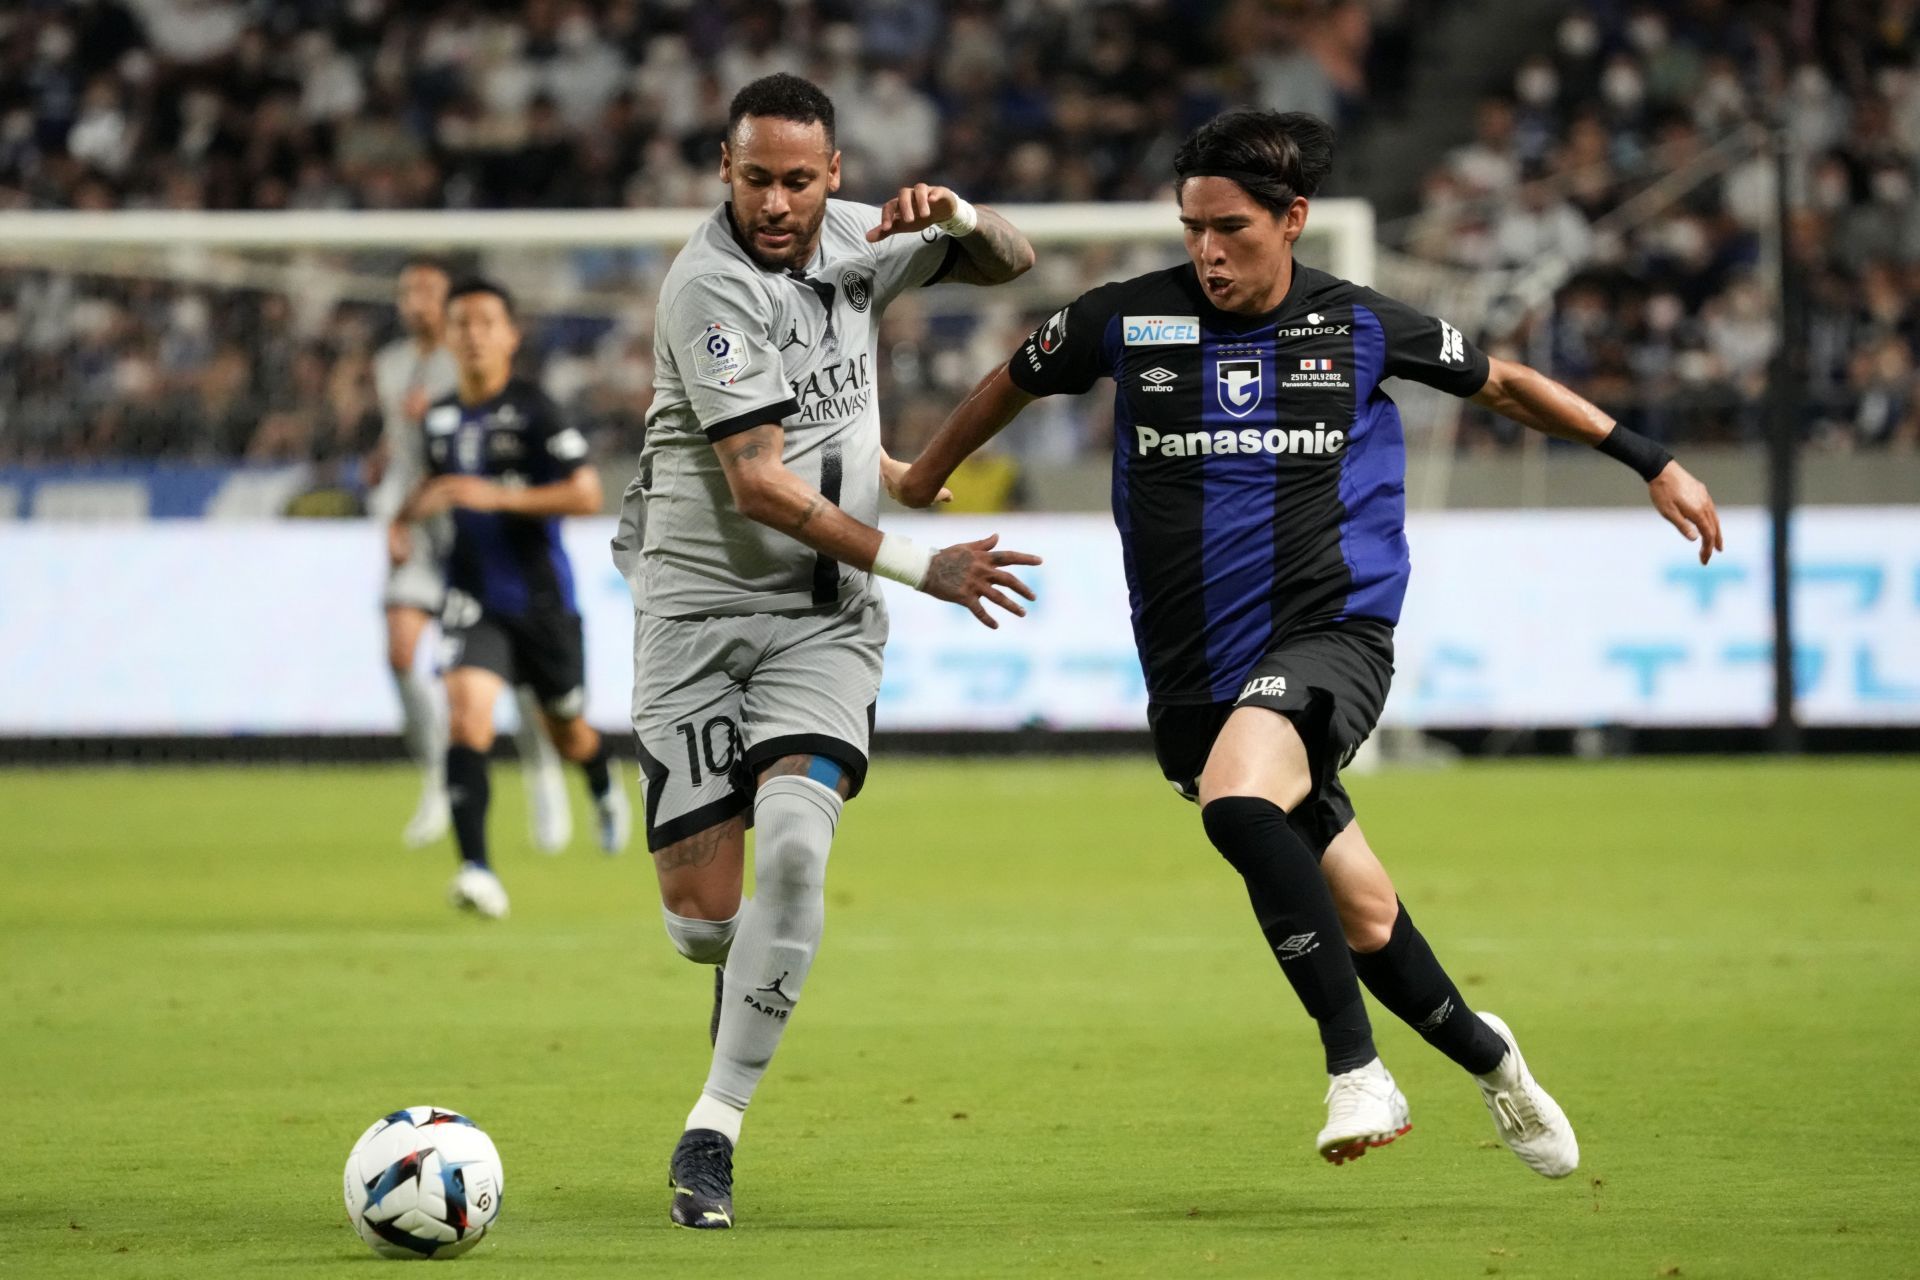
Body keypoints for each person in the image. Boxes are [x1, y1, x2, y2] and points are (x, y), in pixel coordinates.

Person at [900, 110, 1725, 1177]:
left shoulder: (1361, 325)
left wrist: (1651, 458)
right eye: (1193, 225)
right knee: (1366, 914)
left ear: (1293, 221)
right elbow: (1013, 375)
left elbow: (1509, 385)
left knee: (1242, 802)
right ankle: (1493, 1060)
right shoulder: (1124, 321)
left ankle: (1355, 1069)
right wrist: (920, 477)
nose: (1207, 249)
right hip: (1195, 667)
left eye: (1231, 227)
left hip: (1333, 631)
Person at [614, 72, 1038, 1229]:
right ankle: (716, 920)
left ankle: (714, 1126)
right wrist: (921, 561)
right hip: (695, 625)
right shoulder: (708, 287)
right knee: (707, 919)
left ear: (835, 174)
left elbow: (1017, 258)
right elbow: (757, 483)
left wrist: (954, 218)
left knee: (794, 851)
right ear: (724, 171)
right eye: (757, 178)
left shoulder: (862, 236)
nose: (779, 202)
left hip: (823, 621)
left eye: (801, 179)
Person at [393, 280, 632, 919]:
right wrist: (403, 519)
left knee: (568, 731)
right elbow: (435, 488)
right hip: (472, 598)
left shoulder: (535, 410)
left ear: (510, 336)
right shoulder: (438, 417)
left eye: (485, 322)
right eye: (461, 323)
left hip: (541, 601)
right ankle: (477, 870)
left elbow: (585, 494)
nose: (472, 334)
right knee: (467, 716)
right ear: (446, 336)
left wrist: (495, 496)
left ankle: (602, 783)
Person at [369, 257, 574, 855]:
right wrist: (394, 499)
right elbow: (406, 445)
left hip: (486, 543)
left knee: (522, 681)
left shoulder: (475, 364)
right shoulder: (389, 367)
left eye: (429, 292)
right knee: (401, 648)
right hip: (422, 534)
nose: (416, 303)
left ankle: (543, 776)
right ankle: (438, 776)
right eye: (407, 292)